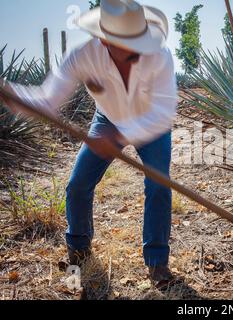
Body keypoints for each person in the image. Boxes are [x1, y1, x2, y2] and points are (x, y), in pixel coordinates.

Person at [0, 0, 178, 288]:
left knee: (159, 185)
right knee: (77, 185)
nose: (138, 49)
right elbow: (48, 101)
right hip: (107, 120)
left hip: (151, 123)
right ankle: (79, 249)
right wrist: (15, 96)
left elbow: (164, 111)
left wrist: (118, 138)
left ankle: (157, 261)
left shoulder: (159, 55)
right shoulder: (82, 56)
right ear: (105, 39)